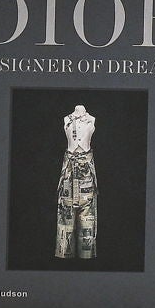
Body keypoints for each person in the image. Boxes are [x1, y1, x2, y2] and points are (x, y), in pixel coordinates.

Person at [55, 104, 98, 261]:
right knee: (65, 219)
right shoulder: (67, 119)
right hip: (68, 173)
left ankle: (87, 260)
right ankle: (64, 259)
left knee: (88, 219)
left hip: (86, 173)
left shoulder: (91, 119)